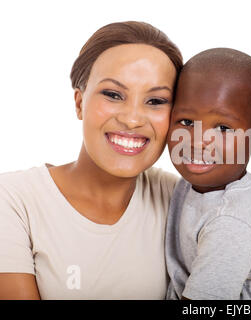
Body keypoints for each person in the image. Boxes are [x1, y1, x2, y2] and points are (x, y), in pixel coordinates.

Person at [0, 21, 183, 299]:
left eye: (156, 101)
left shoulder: (182, 201)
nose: (132, 119)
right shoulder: (13, 200)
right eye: (113, 94)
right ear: (79, 103)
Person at [165, 48, 251, 300]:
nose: (198, 142)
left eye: (223, 128)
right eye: (187, 122)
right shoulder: (191, 185)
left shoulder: (231, 223)